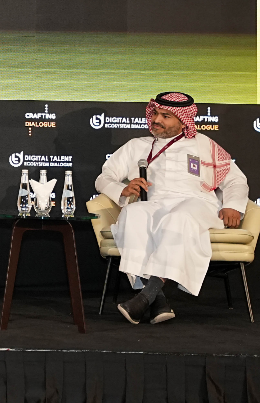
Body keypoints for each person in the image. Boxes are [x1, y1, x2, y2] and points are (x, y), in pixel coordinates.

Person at [95, 92, 249, 325]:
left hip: (198, 203)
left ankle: (145, 297)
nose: (156, 120)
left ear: (183, 121)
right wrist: (122, 189)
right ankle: (156, 300)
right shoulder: (137, 146)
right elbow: (103, 177)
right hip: (155, 204)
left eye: (165, 116)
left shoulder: (205, 145)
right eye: (155, 113)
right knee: (132, 213)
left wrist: (232, 205)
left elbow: (236, 180)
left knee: (178, 217)